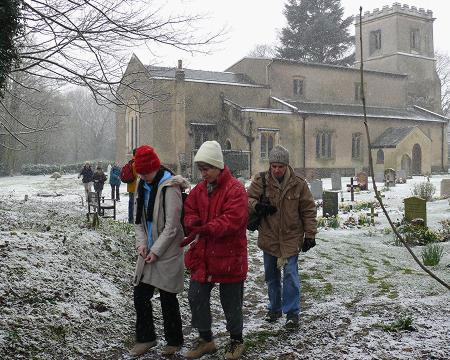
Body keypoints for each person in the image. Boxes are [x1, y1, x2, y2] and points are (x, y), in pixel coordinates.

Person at [182, 140, 248, 360]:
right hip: (204, 254)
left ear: (218, 166)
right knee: (196, 295)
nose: (203, 174)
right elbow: (189, 209)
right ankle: (206, 339)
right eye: (201, 169)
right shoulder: (199, 190)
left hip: (229, 254)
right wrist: (192, 221)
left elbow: (234, 219)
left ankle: (236, 340)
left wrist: (208, 227)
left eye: (207, 168)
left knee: (231, 301)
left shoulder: (235, 189)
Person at [247, 145, 317, 328]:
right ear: (270, 165)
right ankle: (275, 307)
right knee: (271, 277)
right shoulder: (260, 181)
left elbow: (308, 209)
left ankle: (292, 313)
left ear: (286, 166)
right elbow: (247, 199)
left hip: (291, 237)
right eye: (274, 166)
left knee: (291, 276)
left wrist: (310, 235)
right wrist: (258, 206)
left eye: (281, 166)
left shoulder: (299, 184)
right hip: (269, 237)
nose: (277, 170)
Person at [130, 145, 189, 357]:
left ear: (155, 168)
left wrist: (155, 251)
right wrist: (142, 244)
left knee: (167, 297)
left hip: (168, 251)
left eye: (146, 173)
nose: (144, 177)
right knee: (140, 295)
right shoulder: (141, 184)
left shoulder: (170, 186)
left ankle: (174, 341)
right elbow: (138, 221)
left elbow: (172, 227)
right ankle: (146, 338)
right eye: (141, 173)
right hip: (148, 251)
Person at [127, 148, 137, 223]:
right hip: (135, 186)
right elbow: (137, 175)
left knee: (131, 203)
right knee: (134, 204)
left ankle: (130, 219)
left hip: (130, 186)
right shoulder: (135, 163)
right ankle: (132, 220)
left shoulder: (130, 162)